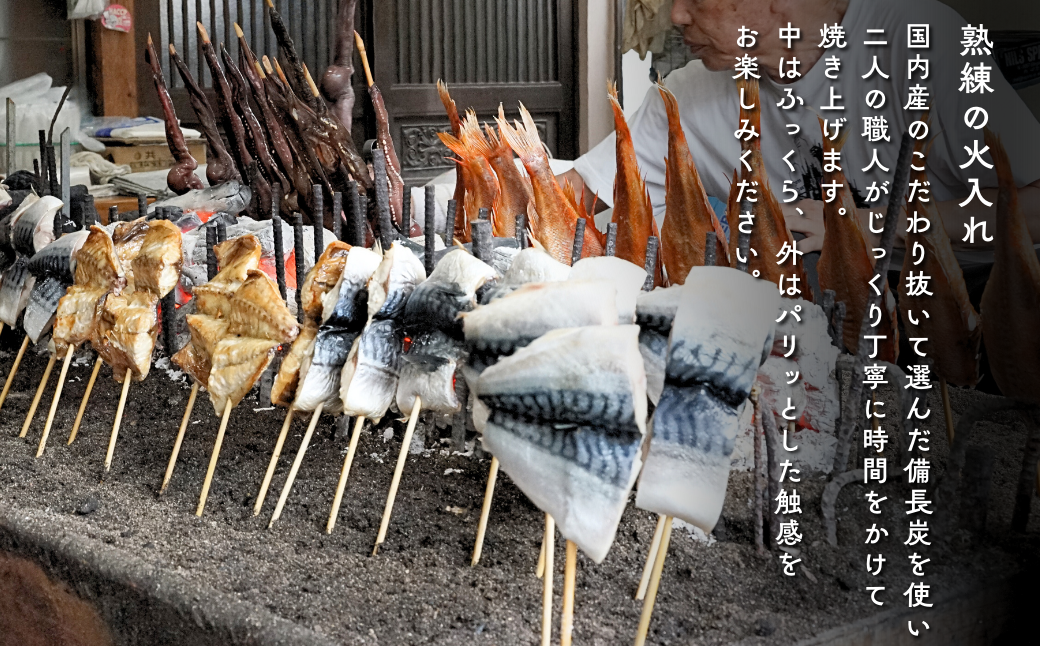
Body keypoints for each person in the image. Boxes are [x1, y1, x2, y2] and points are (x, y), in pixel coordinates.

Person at [561, 0, 1040, 259]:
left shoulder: (921, 39)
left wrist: (872, 227)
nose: (677, 15)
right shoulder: (693, 91)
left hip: (948, 316)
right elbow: (582, 190)